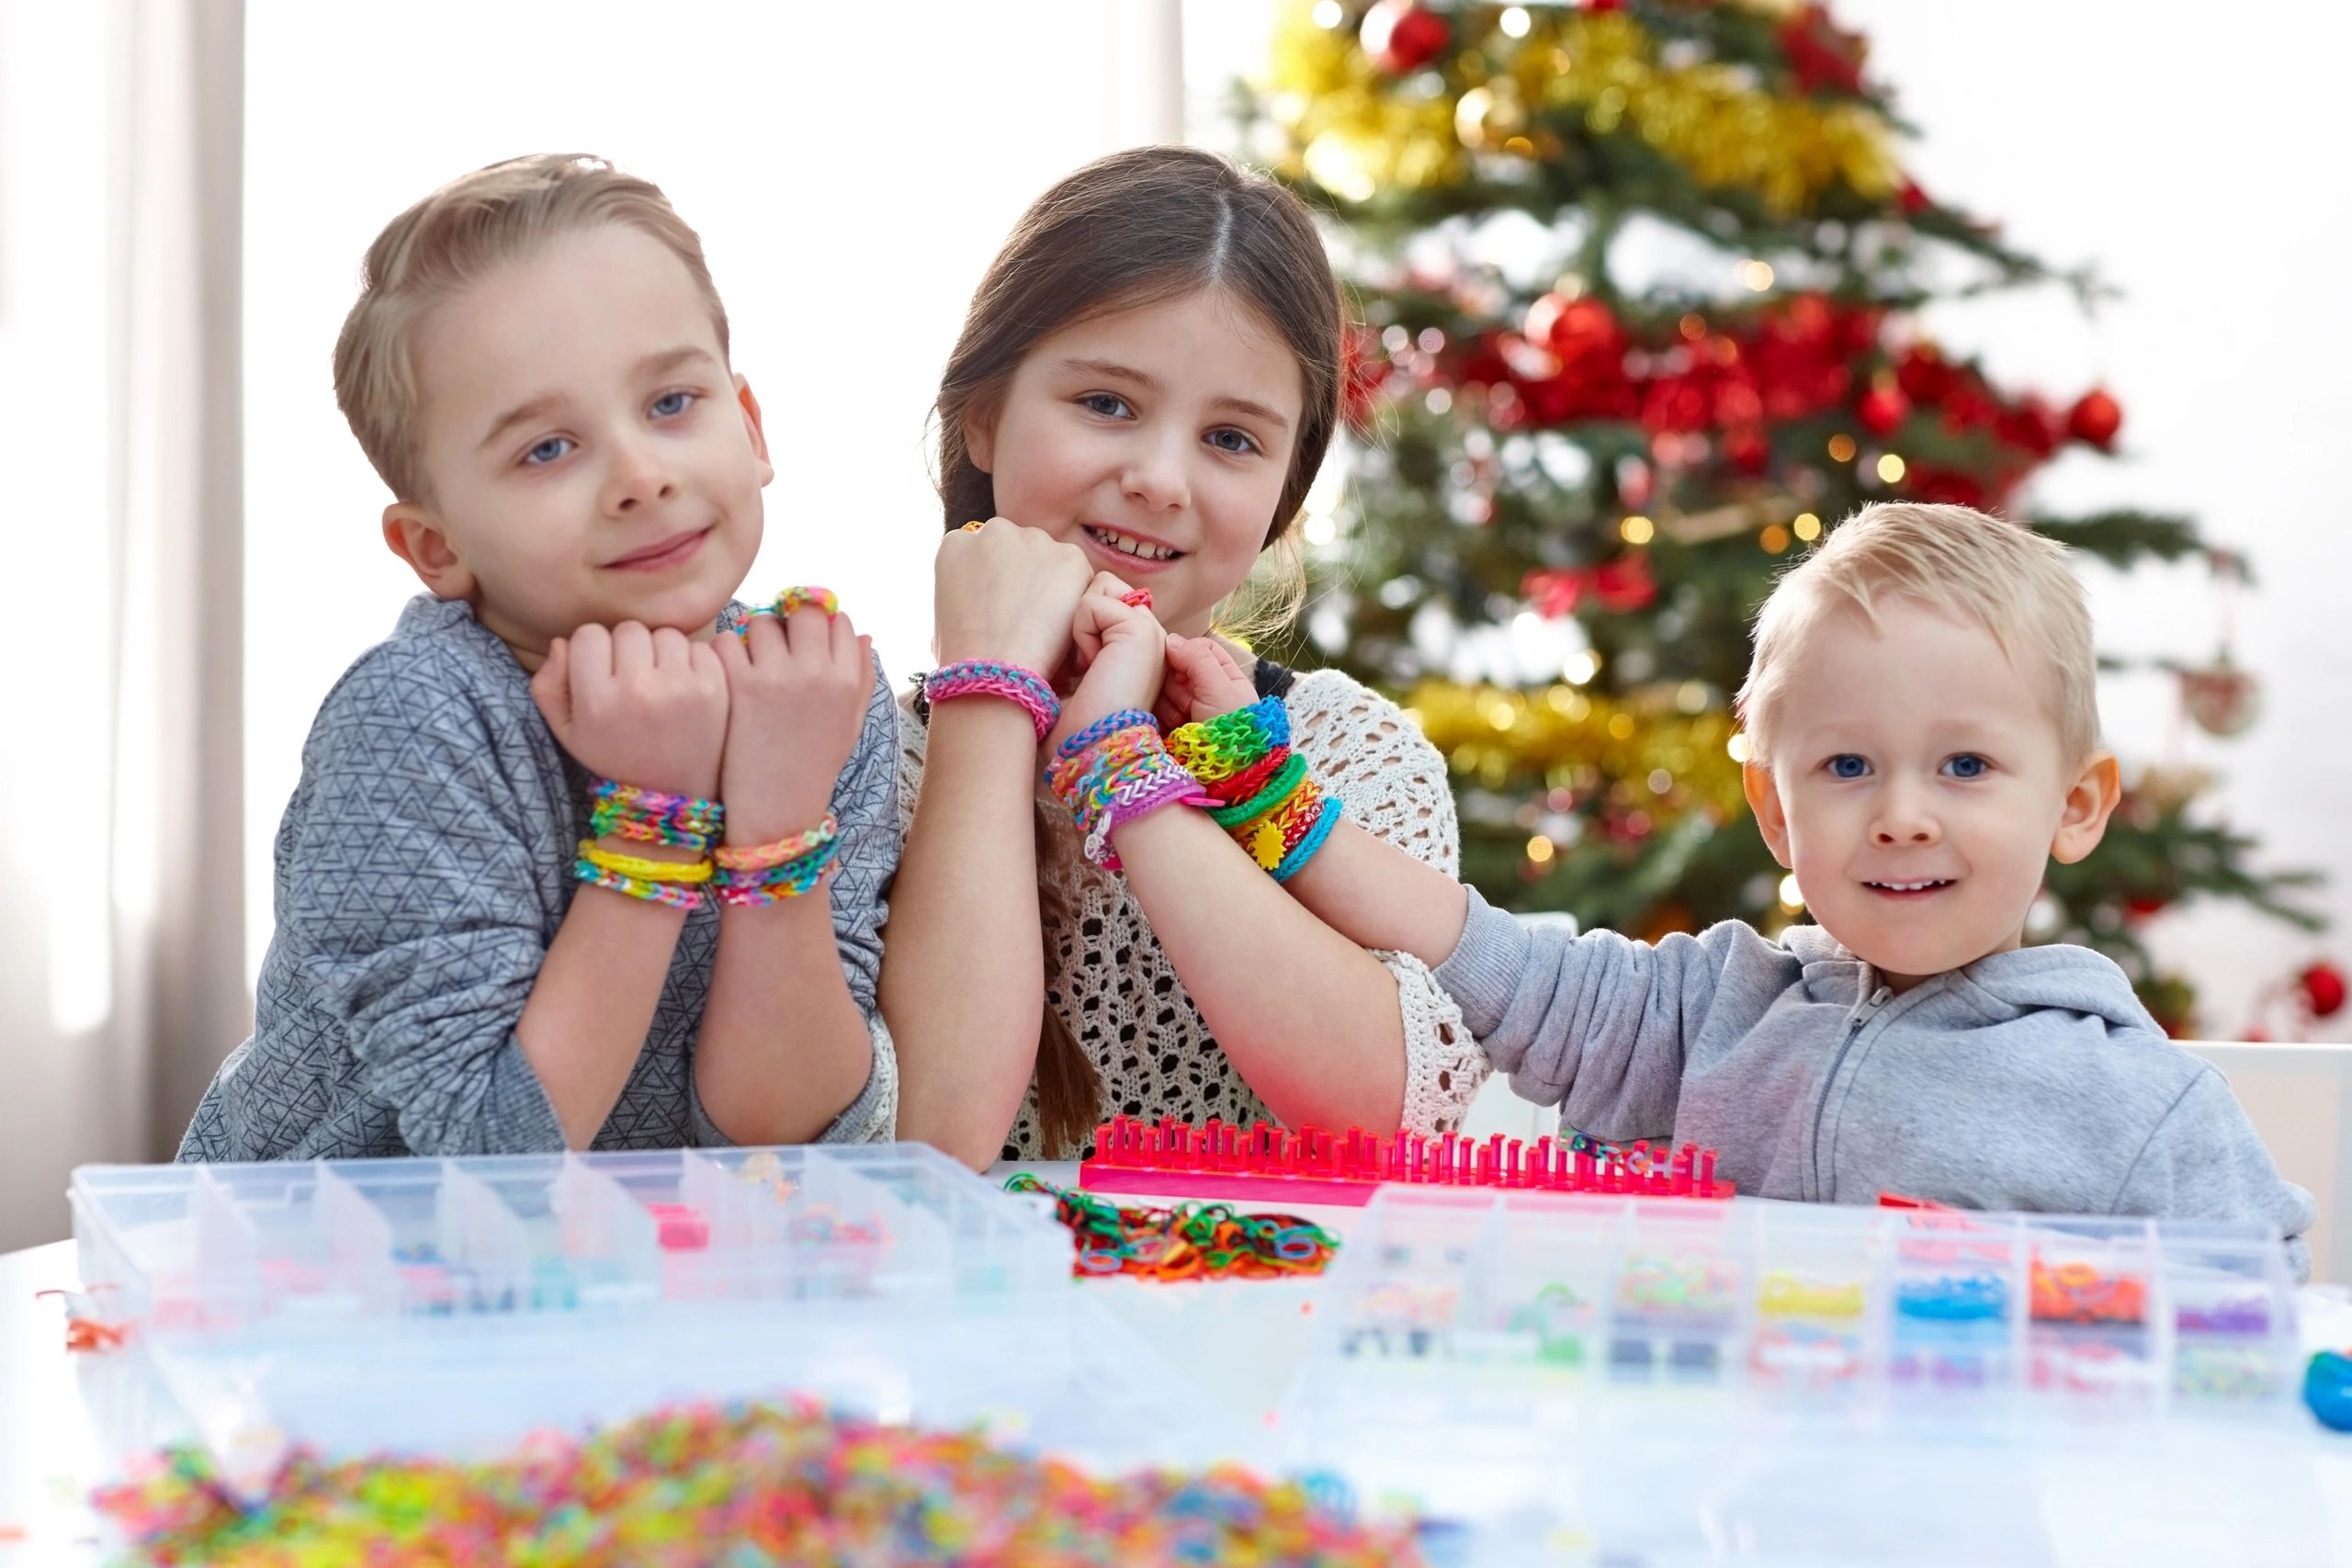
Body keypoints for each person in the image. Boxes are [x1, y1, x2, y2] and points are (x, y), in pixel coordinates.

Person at [1179, 502, 2314, 1276]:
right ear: (1775, 810)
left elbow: (2258, 1331)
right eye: (1847, 766)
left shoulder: (2138, 1107)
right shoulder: (1699, 1015)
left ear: (2075, 804)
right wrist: (1265, 789)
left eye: (1965, 766)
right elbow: (1476, 946)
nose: (1902, 814)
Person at [180, 154, 897, 1160]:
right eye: (547, 449)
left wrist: (779, 814)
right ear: (436, 547)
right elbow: (489, 1162)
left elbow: (786, 1140)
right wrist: (654, 814)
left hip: (632, 1258)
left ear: (749, 425)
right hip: (316, 1252)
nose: (641, 476)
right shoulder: (417, 718)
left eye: (671, 403)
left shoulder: (810, 695)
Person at [881, 146, 1489, 1166]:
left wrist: (1122, 764)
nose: (1161, 479)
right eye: (1107, 404)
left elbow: (1388, 1120)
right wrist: (990, 696)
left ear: (1284, 492)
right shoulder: (863, 761)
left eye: (1232, 439)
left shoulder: (1346, 753)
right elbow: (925, 1141)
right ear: (981, 415)